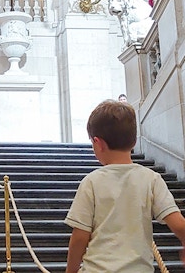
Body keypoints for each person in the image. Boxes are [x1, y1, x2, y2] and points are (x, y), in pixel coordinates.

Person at [64, 100, 185, 272]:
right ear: (134, 141)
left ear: (98, 143)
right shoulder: (152, 179)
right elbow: (179, 224)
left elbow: (79, 237)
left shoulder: (91, 182)